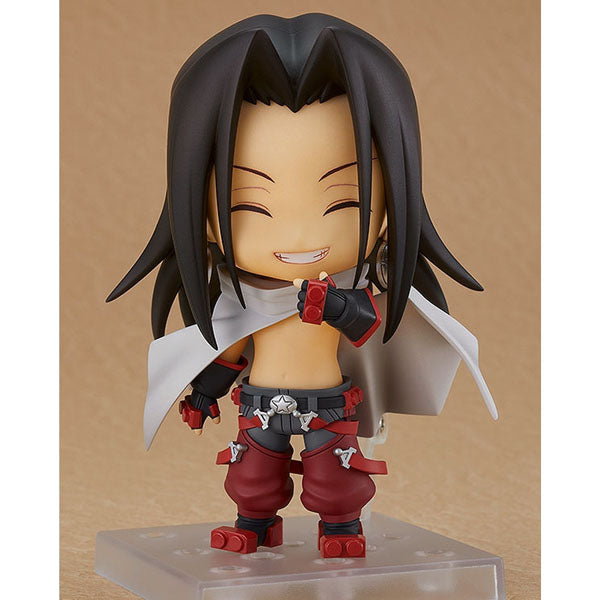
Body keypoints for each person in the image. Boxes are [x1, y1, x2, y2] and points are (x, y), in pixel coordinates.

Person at [107, 13, 496, 558]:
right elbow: (229, 348)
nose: (297, 237)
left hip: (329, 404)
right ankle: (254, 522)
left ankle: (340, 528)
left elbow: (366, 325)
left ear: (393, 201)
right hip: (259, 402)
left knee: (336, 477)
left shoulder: (351, 288)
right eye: (248, 206)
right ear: (200, 210)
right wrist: (203, 392)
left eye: (345, 202)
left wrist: (335, 306)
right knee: (251, 474)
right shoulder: (242, 299)